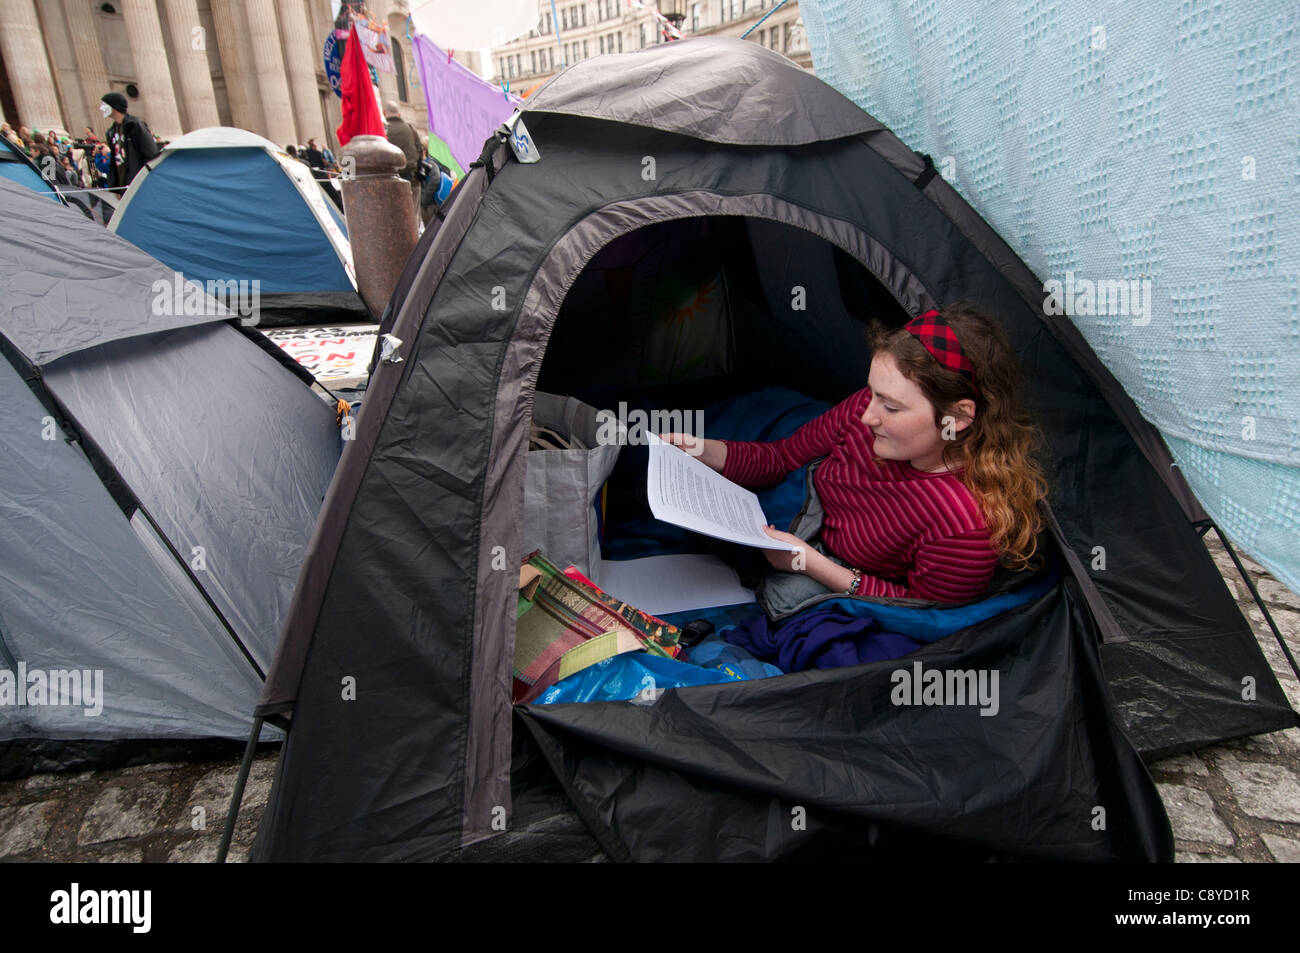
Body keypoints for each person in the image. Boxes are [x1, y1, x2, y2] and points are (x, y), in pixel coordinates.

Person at [661, 302, 1049, 605]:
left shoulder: (963, 524)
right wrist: (699, 448)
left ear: (957, 417)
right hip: (804, 507)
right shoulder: (866, 411)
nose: (867, 415)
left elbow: (917, 607)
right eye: (872, 393)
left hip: (828, 560)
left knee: (790, 596)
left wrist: (810, 563)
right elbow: (782, 457)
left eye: (891, 407)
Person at [100, 91, 159, 192]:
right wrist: (116, 187)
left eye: (104, 105)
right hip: (124, 185)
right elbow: (114, 162)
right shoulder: (111, 132)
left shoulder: (135, 125)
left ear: (114, 107)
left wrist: (144, 179)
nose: (101, 108)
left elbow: (151, 153)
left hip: (140, 183)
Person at [382, 100, 422, 216]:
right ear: (398, 114)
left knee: (393, 217)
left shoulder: (382, 131)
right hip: (412, 178)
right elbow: (419, 150)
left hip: (389, 181)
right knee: (413, 217)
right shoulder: (410, 128)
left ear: (385, 113)